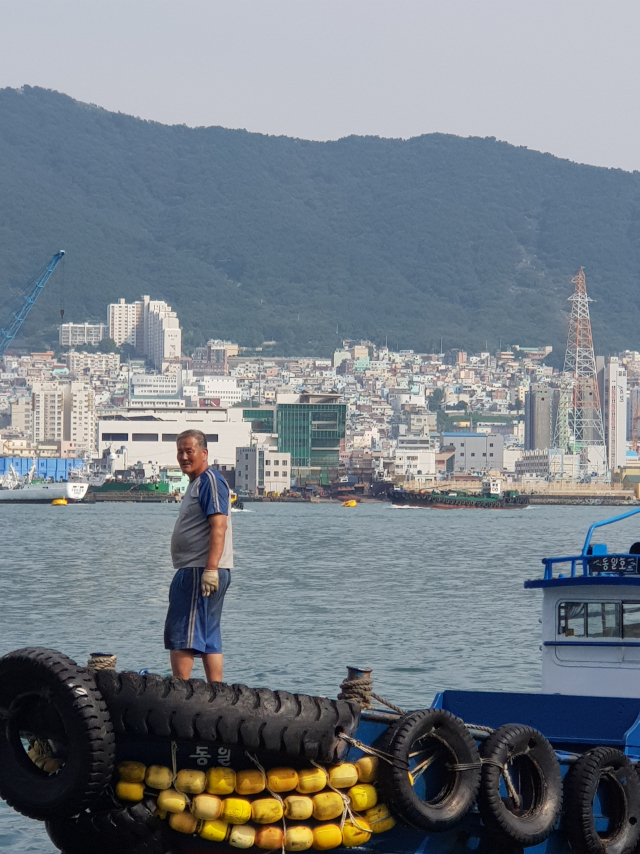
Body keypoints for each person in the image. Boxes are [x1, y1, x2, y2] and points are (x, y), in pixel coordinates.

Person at [164, 429, 233, 682]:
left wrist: (211, 569)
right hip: (201, 570)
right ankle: (216, 693)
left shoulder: (210, 481)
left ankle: (181, 693)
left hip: (200, 570)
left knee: (183, 634)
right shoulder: (196, 483)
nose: (183, 457)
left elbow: (219, 526)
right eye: (180, 452)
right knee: (208, 635)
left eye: (189, 451)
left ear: (204, 453)